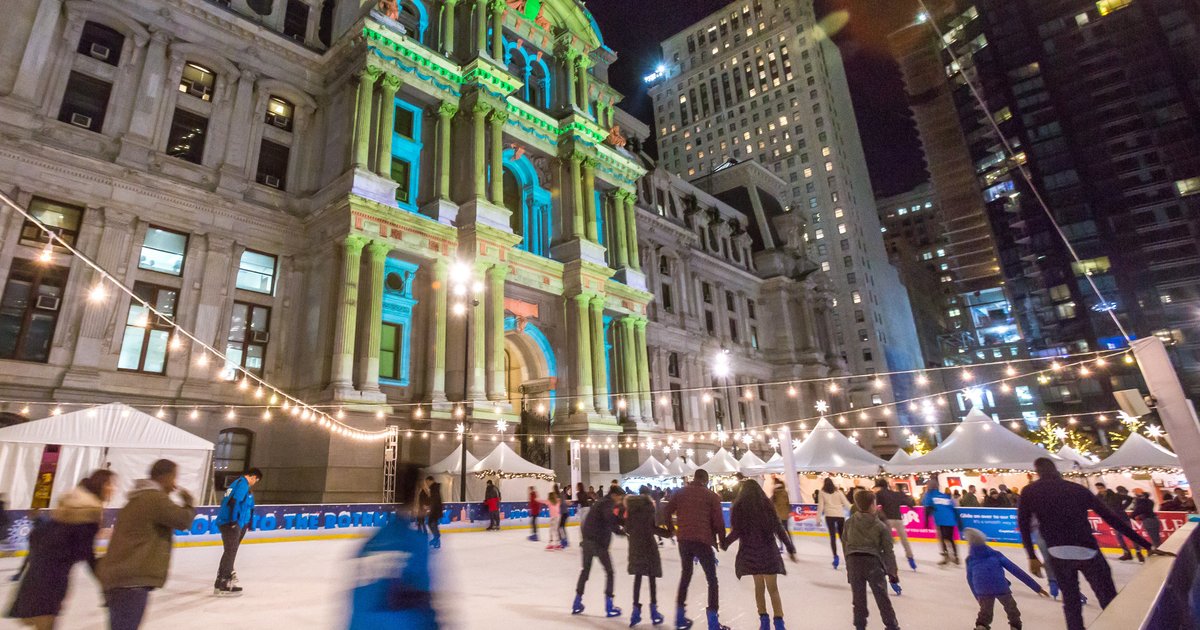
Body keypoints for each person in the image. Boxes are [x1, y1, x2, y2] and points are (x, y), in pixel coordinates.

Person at [1018, 457, 1170, 630]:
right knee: (1109, 600)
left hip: (1058, 553)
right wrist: (1146, 545)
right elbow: (1111, 518)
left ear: (1037, 471)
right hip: (1087, 550)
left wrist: (1031, 556)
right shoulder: (1077, 489)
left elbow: (1023, 524)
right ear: (1056, 470)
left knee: (1071, 603)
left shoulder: (1030, 491)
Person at [8, 470, 115, 629]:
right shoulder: (87, 514)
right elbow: (87, 554)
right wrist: (108, 584)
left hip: (35, 577)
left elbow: (39, 535)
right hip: (50, 583)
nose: (113, 488)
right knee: (45, 623)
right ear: (101, 485)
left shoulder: (69, 508)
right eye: (110, 484)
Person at [97, 459, 196, 630]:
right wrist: (188, 503)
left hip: (120, 577)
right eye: (174, 477)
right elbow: (183, 520)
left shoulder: (138, 498)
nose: (174, 484)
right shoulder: (154, 498)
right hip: (131, 580)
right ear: (165, 477)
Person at [349, 464, 438, 629]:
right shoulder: (413, 544)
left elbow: (357, 603)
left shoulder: (369, 544)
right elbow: (423, 606)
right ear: (416, 494)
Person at [724, 479, 796, 630]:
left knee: (759, 588)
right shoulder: (767, 506)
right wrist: (789, 546)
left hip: (751, 554)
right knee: (773, 589)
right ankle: (779, 622)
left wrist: (725, 543)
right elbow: (778, 528)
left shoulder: (740, 508)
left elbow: (736, 531)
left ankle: (764, 621)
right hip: (768, 552)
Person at [664, 468, 729, 630]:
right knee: (712, 580)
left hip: (684, 540)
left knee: (686, 575)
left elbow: (666, 511)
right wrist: (722, 542)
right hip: (703, 540)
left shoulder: (680, 493)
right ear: (706, 480)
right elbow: (719, 522)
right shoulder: (712, 496)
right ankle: (713, 622)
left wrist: (672, 529)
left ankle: (679, 617)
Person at [963, 527, 1048, 630]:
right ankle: (1015, 625)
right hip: (1001, 587)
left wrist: (977, 596)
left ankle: (981, 626)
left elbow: (970, 580)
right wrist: (1037, 588)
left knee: (985, 612)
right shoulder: (996, 555)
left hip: (983, 590)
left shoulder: (970, 559)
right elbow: (1016, 571)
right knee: (1011, 608)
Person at [842, 490, 900, 630]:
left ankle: (860, 626)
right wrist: (892, 572)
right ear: (873, 504)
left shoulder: (849, 523)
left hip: (854, 563)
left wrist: (849, 567)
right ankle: (892, 626)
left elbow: (845, 544)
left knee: (858, 600)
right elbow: (888, 551)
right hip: (873, 564)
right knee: (882, 598)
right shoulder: (881, 526)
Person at [572, 486, 627, 618]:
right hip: (598, 544)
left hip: (587, 542)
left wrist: (621, 523)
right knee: (610, 572)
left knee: (585, 571)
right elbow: (610, 519)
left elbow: (610, 519)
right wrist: (620, 531)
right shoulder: (607, 503)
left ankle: (577, 602)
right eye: (620, 498)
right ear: (614, 495)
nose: (620, 501)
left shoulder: (601, 503)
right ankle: (609, 606)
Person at [626, 486, 670, 626]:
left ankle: (635, 612)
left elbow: (627, 528)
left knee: (638, 579)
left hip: (635, 546)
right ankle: (653, 611)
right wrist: (668, 534)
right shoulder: (649, 508)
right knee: (651, 579)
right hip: (649, 546)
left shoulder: (631, 509)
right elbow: (652, 528)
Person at [213, 467, 262, 595]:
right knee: (231, 552)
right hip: (231, 523)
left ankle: (221, 581)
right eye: (256, 480)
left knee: (229, 551)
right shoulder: (242, 484)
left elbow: (247, 506)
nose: (255, 482)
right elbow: (234, 502)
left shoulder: (240, 485)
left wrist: (248, 523)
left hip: (236, 523)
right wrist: (233, 521)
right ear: (252, 476)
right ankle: (224, 583)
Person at [873, 478, 917, 570]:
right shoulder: (895, 494)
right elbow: (908, 501)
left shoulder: (879, 494)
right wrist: (911, 506)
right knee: (904, 540)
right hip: (898, 519)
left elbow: (874, 506)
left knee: (886, 542)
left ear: (880, 486)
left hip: (887, 520)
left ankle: (887, 562)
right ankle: (910, 558)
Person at [922, 478, 963, 566]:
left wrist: (926, 521)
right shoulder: (944, 495)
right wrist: (959, 522)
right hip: (950, 520)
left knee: (942, 539)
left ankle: (946, 557)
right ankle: (956, 557)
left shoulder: (929, 495)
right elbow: (954, 509)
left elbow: (927, 508)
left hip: (941, 520)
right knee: (950, 539)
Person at [1094, 483, 1138, 561]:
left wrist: (1122, 507)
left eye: (1101, 488)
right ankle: (1127, 553)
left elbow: (1130, 498)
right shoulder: (1098, 498)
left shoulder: (1115, 495)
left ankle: (1138, 551)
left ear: (1104, 488)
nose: (1100, 490)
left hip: (1123, 518)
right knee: (1119, 537)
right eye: (1098, 488)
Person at [817, 477, 852, 569]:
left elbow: (820, 506)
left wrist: (818, 519)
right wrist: (854, 512)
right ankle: (847, 557)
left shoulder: (822, 492)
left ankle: (835, 557)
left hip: (829, 516)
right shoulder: (838, 492)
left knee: (832, 537)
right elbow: (846, 503)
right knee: (843, 538)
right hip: (840, 515)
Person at [769, 476, 792, 551]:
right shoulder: (785, 492)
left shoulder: (775, 492)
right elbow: (788, 503)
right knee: (786, 530)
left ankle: (782, 546)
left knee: (779, 531)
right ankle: (791, 545)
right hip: (785, 514)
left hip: (778, 514)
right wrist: (788, 512)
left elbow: (771, 501)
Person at [425, 477, 443, 549]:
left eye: (427, 482)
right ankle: (436, 539)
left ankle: (437, 539)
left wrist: (430, 507)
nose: (427, 484)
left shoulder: (434, 488)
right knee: (431, 524)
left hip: (435, 510)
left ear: (431, 481)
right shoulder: (433, 488)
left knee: (432, 524)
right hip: (435, 510)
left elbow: (435, 500)